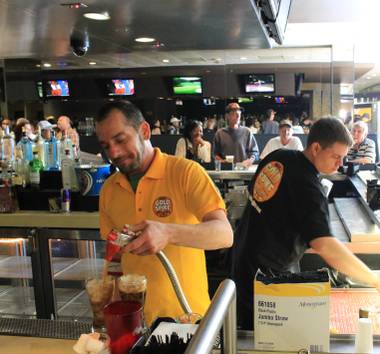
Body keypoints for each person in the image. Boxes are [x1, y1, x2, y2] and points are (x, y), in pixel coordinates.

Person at [230, 117, 380, 330]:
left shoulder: (278, 156)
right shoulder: (309, 187)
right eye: (336, 157)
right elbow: (326, 246)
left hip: (242, 259)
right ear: (317, 148)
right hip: (266, 281)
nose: (340, 164)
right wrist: (373, 279)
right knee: (264, 338)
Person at [95, 100, 233, 324]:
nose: (114, 152)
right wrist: (110, 300)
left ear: (145, 131)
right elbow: (115, 255)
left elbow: (224, 234)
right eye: (106, 145)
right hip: (135, 324)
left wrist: (168, 233)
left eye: (120, 140)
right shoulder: (110, 190)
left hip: (187, 320)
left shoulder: (185, 173)